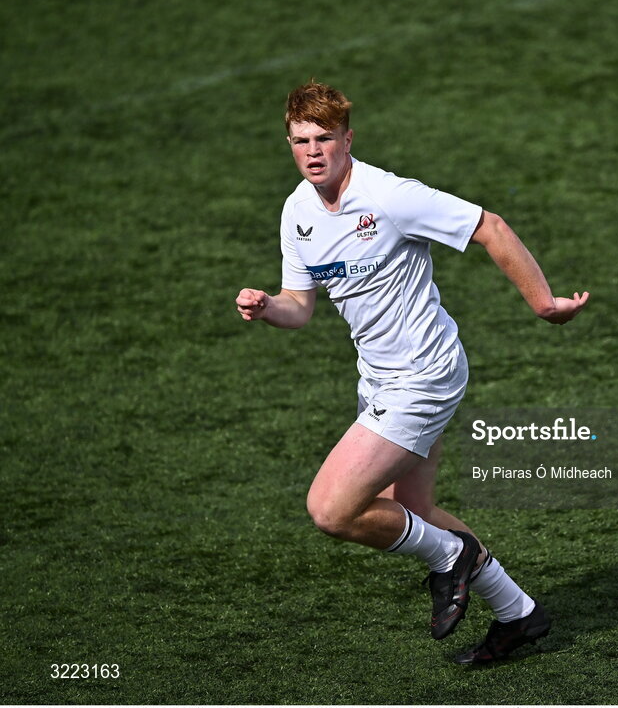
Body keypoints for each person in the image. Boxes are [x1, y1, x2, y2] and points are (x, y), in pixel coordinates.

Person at [236, 81, 588, 664]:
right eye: (301, 141)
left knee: (331, 508)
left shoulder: (390, 196)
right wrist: (267, 307)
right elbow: (298, 307)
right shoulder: (297, 211)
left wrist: (544, 304)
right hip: (378, 378)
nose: (313, 152)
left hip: (423, 375)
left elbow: (490, 227)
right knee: (414, 513)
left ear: (348, 139)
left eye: (325, 138)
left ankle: (450, 558)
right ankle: (520, 614)